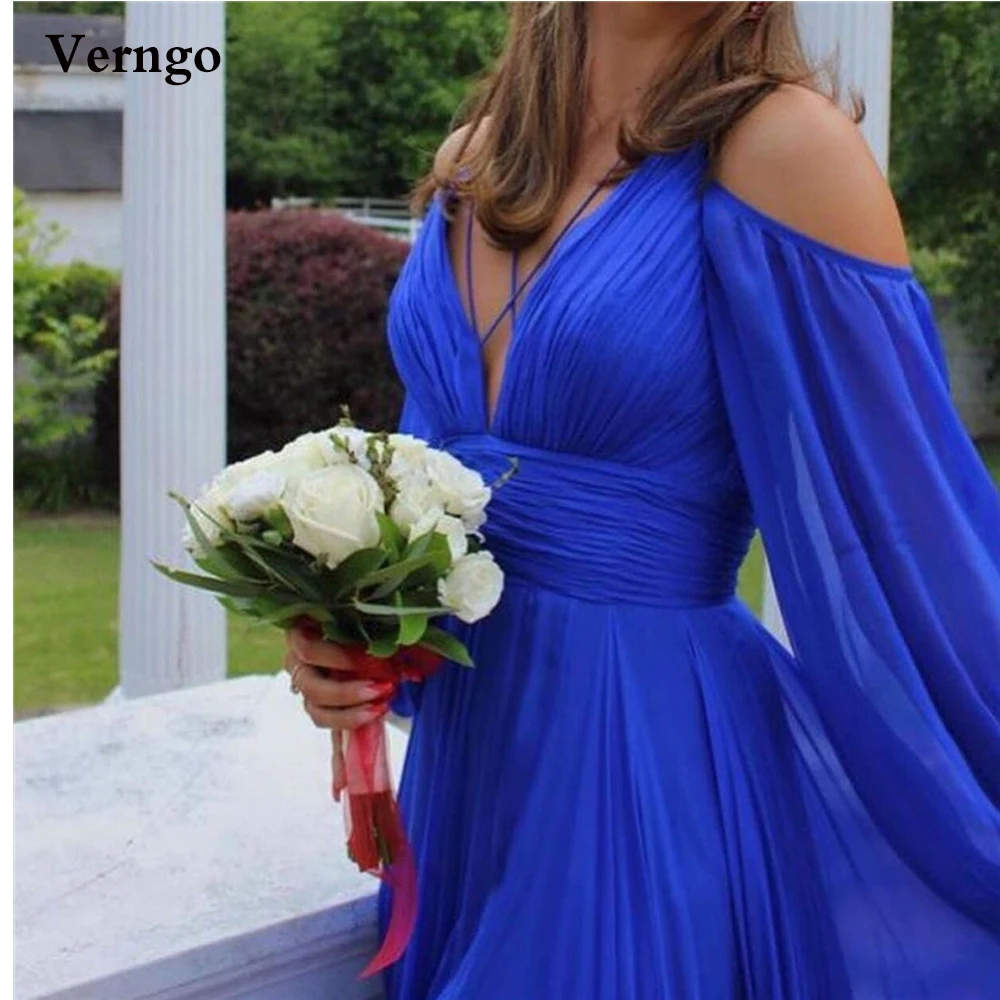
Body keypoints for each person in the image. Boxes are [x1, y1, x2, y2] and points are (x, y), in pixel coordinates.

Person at [284, 3, 1000, 996]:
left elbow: (913, 541)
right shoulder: (469, 166)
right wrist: (357, 637)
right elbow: (429, 508)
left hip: (641, 766)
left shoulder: (783, 150)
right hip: (468, 779)